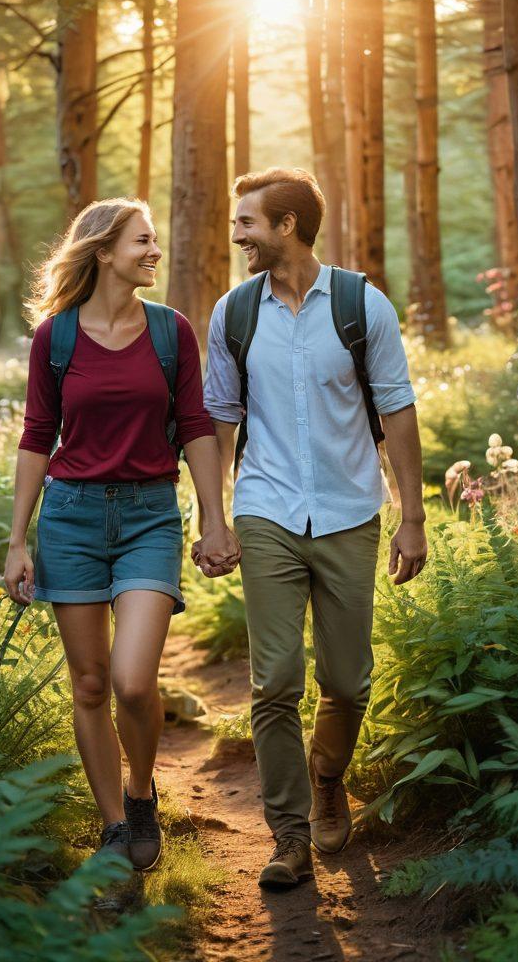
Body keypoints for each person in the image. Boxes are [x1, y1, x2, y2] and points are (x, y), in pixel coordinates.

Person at [199, 168, 428, 890]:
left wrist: (412, 517)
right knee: (274, 683)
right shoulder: (234, 313)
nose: (238, 235)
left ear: (288, 225)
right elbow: (219, 420)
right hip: (265, 510)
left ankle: (328, 776)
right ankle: (288, 837)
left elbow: (396, 412)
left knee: (348, 682)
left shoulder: (363, 307)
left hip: (349, 511)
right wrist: (214, 519)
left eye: (247, 224)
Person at [5, 198, 240, 871]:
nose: (154, 252)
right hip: (71, 518)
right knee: (89, 684)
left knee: (134, 683)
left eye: (155, 241)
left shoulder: (172, 333)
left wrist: (212, 517)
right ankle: (114, 825)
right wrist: (18, 541)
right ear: (103, 251)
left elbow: (195, 425)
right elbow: (35, 437)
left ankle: (142, 791)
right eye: (142, 242)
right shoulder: (57, 337)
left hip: (148, 516)